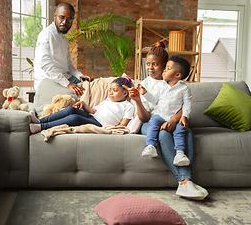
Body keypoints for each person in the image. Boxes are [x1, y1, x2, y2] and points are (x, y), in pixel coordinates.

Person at [125, 42, 208, 200]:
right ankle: (184, 181)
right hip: (151, 121)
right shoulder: (145, 84)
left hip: (170, 118)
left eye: (155, 65)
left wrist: (174, 120)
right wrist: (138, 101)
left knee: (187, 133)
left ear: (164, 66)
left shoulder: (177, 85)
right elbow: (145, 118)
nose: (150, 68)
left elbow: (185, 105)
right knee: (163, 134)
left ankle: (186, 182)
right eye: (148, 64)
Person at [139, 55, 192, 168]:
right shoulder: (160, 85)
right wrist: (145, 93)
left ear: (177, 75)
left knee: (180, 130)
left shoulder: (184, 89)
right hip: (161, 115)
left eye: (168, 68)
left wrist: (184, 116)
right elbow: (154, 99)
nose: (164, 70)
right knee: (154, 122)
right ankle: (151, 146)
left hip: (176, 118)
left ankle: (180, 153)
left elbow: (187, 104)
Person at [29, 77, 134, 134]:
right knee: (70, 109)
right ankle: (40, 121)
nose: (110, 93)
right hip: (93, 117)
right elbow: (93, 111)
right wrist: (83, 104)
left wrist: (110, 129)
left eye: (114, 91)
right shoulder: (107, 100)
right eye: (110, 90)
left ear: (125, 93)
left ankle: (41, 127)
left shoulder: (128, 106)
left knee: (75, 118)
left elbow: (123, 125)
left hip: (101, 124)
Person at [33, 2, 92, 97]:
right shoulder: (47, 34)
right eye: (61, 17)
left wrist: (80, 76)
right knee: (88, 93)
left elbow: (68, 65)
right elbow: (45, 64)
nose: (64, 22)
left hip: (65, 79)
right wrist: (68, 84)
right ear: (55, 16)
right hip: (49, 82)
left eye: (69, 19)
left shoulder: (64, 38)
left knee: (91, 86)